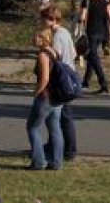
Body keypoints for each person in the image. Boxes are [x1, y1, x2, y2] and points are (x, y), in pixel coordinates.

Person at [39, 4, 78, 161]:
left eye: (44, 19)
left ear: (52, 19)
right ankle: (54, 144)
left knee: (64, 117)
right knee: (55, 116)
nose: (42, 23)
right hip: (67, 77)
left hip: (62, 80)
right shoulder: (65, 33)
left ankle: (69, 150)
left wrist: (45, 48)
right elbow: (73, 53)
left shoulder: (59, 36)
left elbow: (57, 56)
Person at [27, 28, 64, 170]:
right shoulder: (55, 53)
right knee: (55, 128)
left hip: (46, 97)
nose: (34, 39)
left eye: (37, 36)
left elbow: (45, 79)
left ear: (45, 39)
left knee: (32, 128)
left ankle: (39, 161)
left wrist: (36, 93)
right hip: (57, 97)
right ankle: (57, 161)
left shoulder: (43, 55)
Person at [79, 0, 110, 93]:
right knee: (92, 55)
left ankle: (103, 82)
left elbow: (82, 17)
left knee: (93, 56)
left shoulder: (86, 1)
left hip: (91, 31)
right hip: (103, 32)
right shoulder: (104, 1)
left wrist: (80, 21)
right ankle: (86, 81)